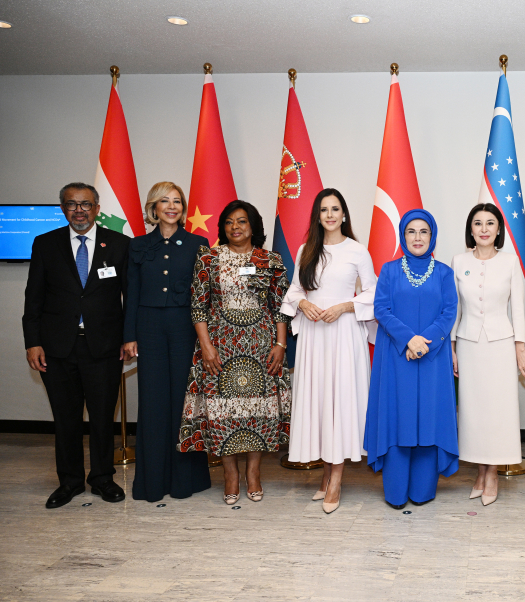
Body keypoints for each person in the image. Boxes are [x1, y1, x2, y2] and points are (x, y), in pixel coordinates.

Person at [23, 182, 131, 508]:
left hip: (104, 347)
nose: (79, 210)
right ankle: (69, 482)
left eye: (85, 204)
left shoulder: (120, 244)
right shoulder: (45, 244)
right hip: (57, 349)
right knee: (65, 419)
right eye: (72, 204)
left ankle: (102, 478)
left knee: (102, 418)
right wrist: (33, 342)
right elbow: (33, 298)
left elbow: (131, 297)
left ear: (97, 208)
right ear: (63, 209)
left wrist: (129, 336)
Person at [178, 200, 292, 506]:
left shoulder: (270, 260)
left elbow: (281, 307)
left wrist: (280, 345)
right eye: (229, 222)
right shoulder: (209, 257)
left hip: (261, 348)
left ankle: (253, 474)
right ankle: (230, 475)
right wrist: (206, 346)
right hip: (219, 349)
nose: (235, 227)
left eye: (241, 221)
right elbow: (198, 305)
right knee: (223, 413)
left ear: (253, 226)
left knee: (257, 412)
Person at [281, 188, 376, 514]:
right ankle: (325, 475)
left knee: (340, 401)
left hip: (344, 335)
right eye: (324, 210)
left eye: (335, 209)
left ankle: (336, 480)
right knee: (320, 402)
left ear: (344, 214)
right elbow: (295, 290)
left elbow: (374, 293)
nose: (330, 215)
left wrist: (346, 306)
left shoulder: (357, 251)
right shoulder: (306, 250)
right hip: (314, 336)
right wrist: (303, 304)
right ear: (317, 216)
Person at [364, 209, 458, 509]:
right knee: (398, 418)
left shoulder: (444, 273)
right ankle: (395, 491)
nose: (417, 237)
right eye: (411, 231)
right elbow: (381, 309)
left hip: (432, 359)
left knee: (428, 418)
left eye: (423, 231)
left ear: (432, 236)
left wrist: (423, 343)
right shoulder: (389, 270)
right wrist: (409, 339)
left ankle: (422, 490)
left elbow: (449, 311)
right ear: (403, 236)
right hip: (396, 358)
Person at [123, 182, 211, 502]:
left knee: (184, 403)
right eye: (165, 201)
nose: (172, 206)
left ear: (183, 209)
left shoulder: (198, 243)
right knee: (153, 403)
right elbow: (131, 293)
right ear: (154, 208)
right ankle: (152, 482)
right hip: (148, 330)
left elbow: (205, 295)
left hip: (185, 329)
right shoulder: (138, 245)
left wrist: (207, 338)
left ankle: (186, 481)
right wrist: (129, 336)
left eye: (177, 201)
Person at [451, 204, 525, 507]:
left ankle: (493, 473)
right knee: (473, 411)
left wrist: (520, 348)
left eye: (490, 223)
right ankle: (480, 471)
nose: (484, 229)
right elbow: (455, 308)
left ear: (498, 229)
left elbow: (518, 309)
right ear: (470, 230)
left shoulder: (510, 262)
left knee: (498, 410)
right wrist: (451, 347)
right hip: (468, 344)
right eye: (478, 223)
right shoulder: (458, 261)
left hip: (500, 344)